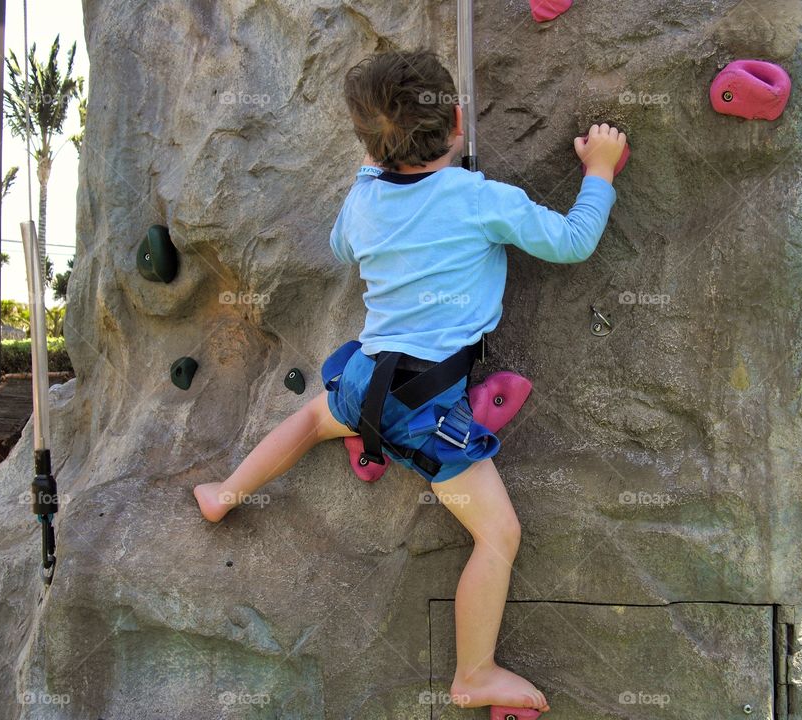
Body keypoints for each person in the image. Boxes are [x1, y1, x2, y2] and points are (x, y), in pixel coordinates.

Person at [194, 48, 625, 715]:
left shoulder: (364, 199)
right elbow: (571, 242)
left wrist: (371, 175)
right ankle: (473, 672)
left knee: (311, 418)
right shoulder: (481, 199)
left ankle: (225, 493)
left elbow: (341, 247)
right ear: (458, 123)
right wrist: (598, 171)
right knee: (497, 535)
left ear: (367, 142)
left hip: (364, 378)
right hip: (426, 411)